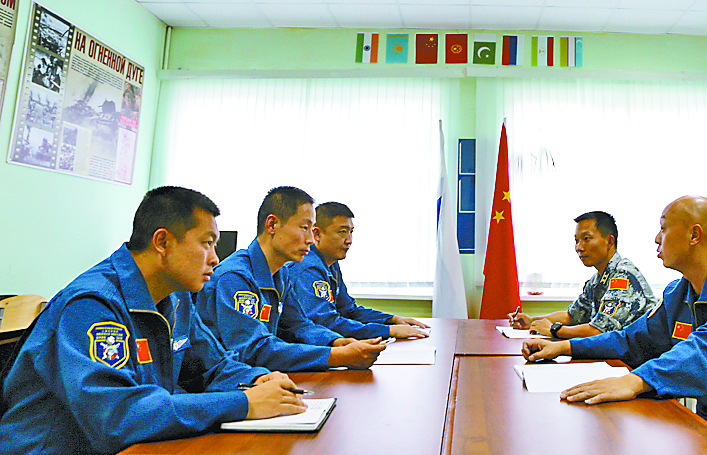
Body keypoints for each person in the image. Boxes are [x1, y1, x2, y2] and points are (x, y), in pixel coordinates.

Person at [0, 186, 307, 455]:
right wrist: (245, 403)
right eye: (207, 243)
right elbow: (117, 416)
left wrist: (257, 379)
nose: (215, 258)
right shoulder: (92, 305)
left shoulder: (176, 296)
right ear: (163, 242)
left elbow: (212, 366)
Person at [523, 196, 707, 455]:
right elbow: (632, 340)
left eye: (663, 228)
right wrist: (565, 346)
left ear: (694, 235)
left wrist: (634, 381)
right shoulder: (680, 292)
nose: (656, 238)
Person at [197, 186, 386, 371]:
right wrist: (335, 356)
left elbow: (297, 325)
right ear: (272, 225)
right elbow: (252, 350)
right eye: (304, 228)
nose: (310, 239)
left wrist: (335, 342)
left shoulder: (280, 274)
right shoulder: (234, 277)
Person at [281, 201, 430, 341]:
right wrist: (388, 331)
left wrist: (393, 319)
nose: (349, 240)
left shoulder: (330, 263)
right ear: (317, 234)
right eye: (342, 232)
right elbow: (327, 323)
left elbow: (348, 310)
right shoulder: (307, 269)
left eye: (351, 232)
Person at [508, 211, 656, 338]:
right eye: (576, 240)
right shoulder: (597, 279)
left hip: (640, 358)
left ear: (610, 241)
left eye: (586, 239)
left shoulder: (622, 275)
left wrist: (554, 330)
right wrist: (532, 321)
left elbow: (600, 331)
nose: (579, 247)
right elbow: (572, 316)